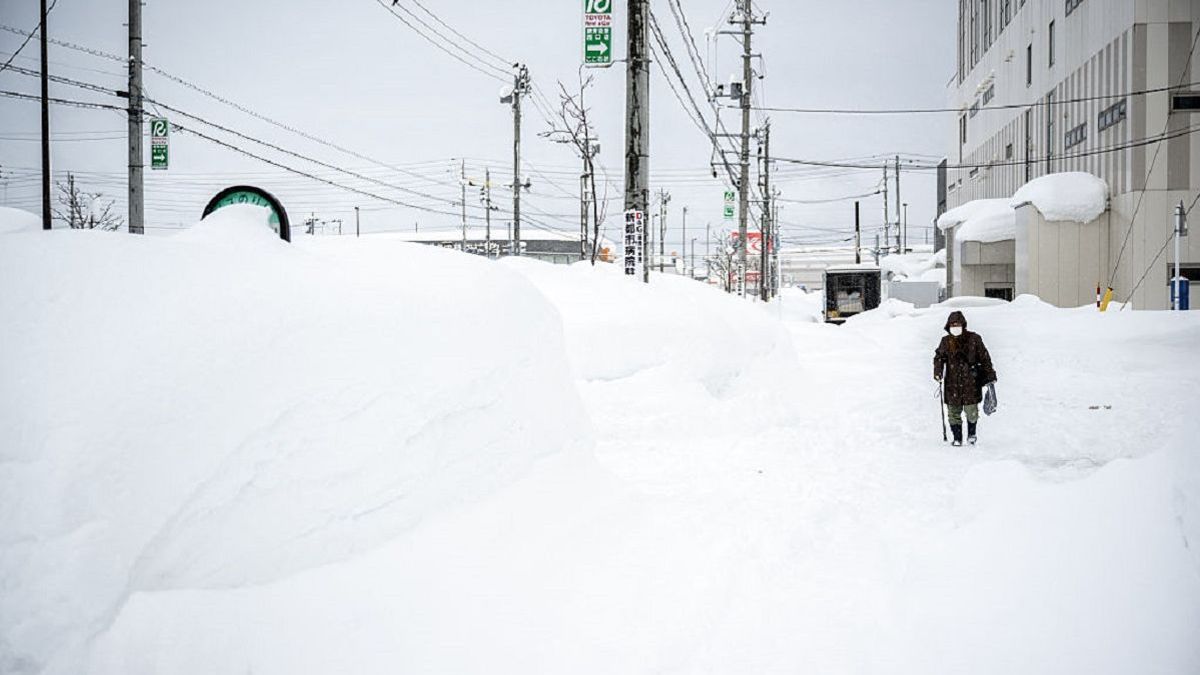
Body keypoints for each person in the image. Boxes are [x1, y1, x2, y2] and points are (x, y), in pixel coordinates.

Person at [933, 310, 996, 446]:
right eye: (952, 325)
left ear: (963, 325)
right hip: (952, 383)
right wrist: (938, 371)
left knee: (971, 411)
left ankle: (972, 435)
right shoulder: (946, 341)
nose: (955, 327)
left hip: (971, 382)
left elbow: (985, 358)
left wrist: (990, 376)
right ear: (948, 326)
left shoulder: (974, 339)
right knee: (953, 412)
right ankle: (957, 438)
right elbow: (939, 357)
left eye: (957, 324)